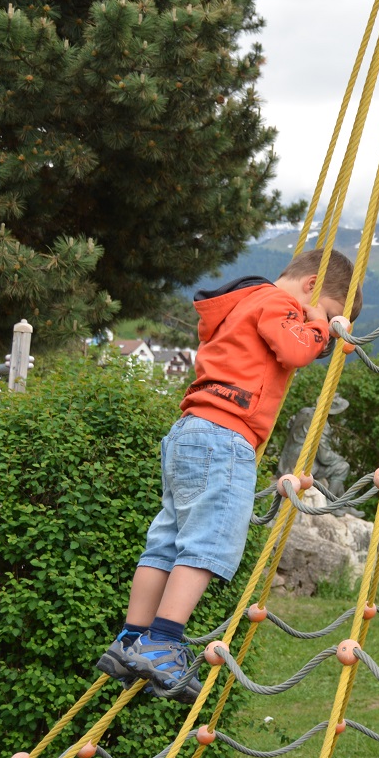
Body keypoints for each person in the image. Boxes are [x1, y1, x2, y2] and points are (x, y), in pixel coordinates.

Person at [94, 249, 363, 702]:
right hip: (225, 436)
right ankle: (162, 642)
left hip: (190, 431)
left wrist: (322, 328)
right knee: (207, 542)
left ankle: (131, 640)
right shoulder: (278, 303)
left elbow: (281, 346)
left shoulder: (245, 301)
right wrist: (322, 328)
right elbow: (297, 348)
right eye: (329, 312)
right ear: (311, 285)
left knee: (166, 542)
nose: (325, 326)